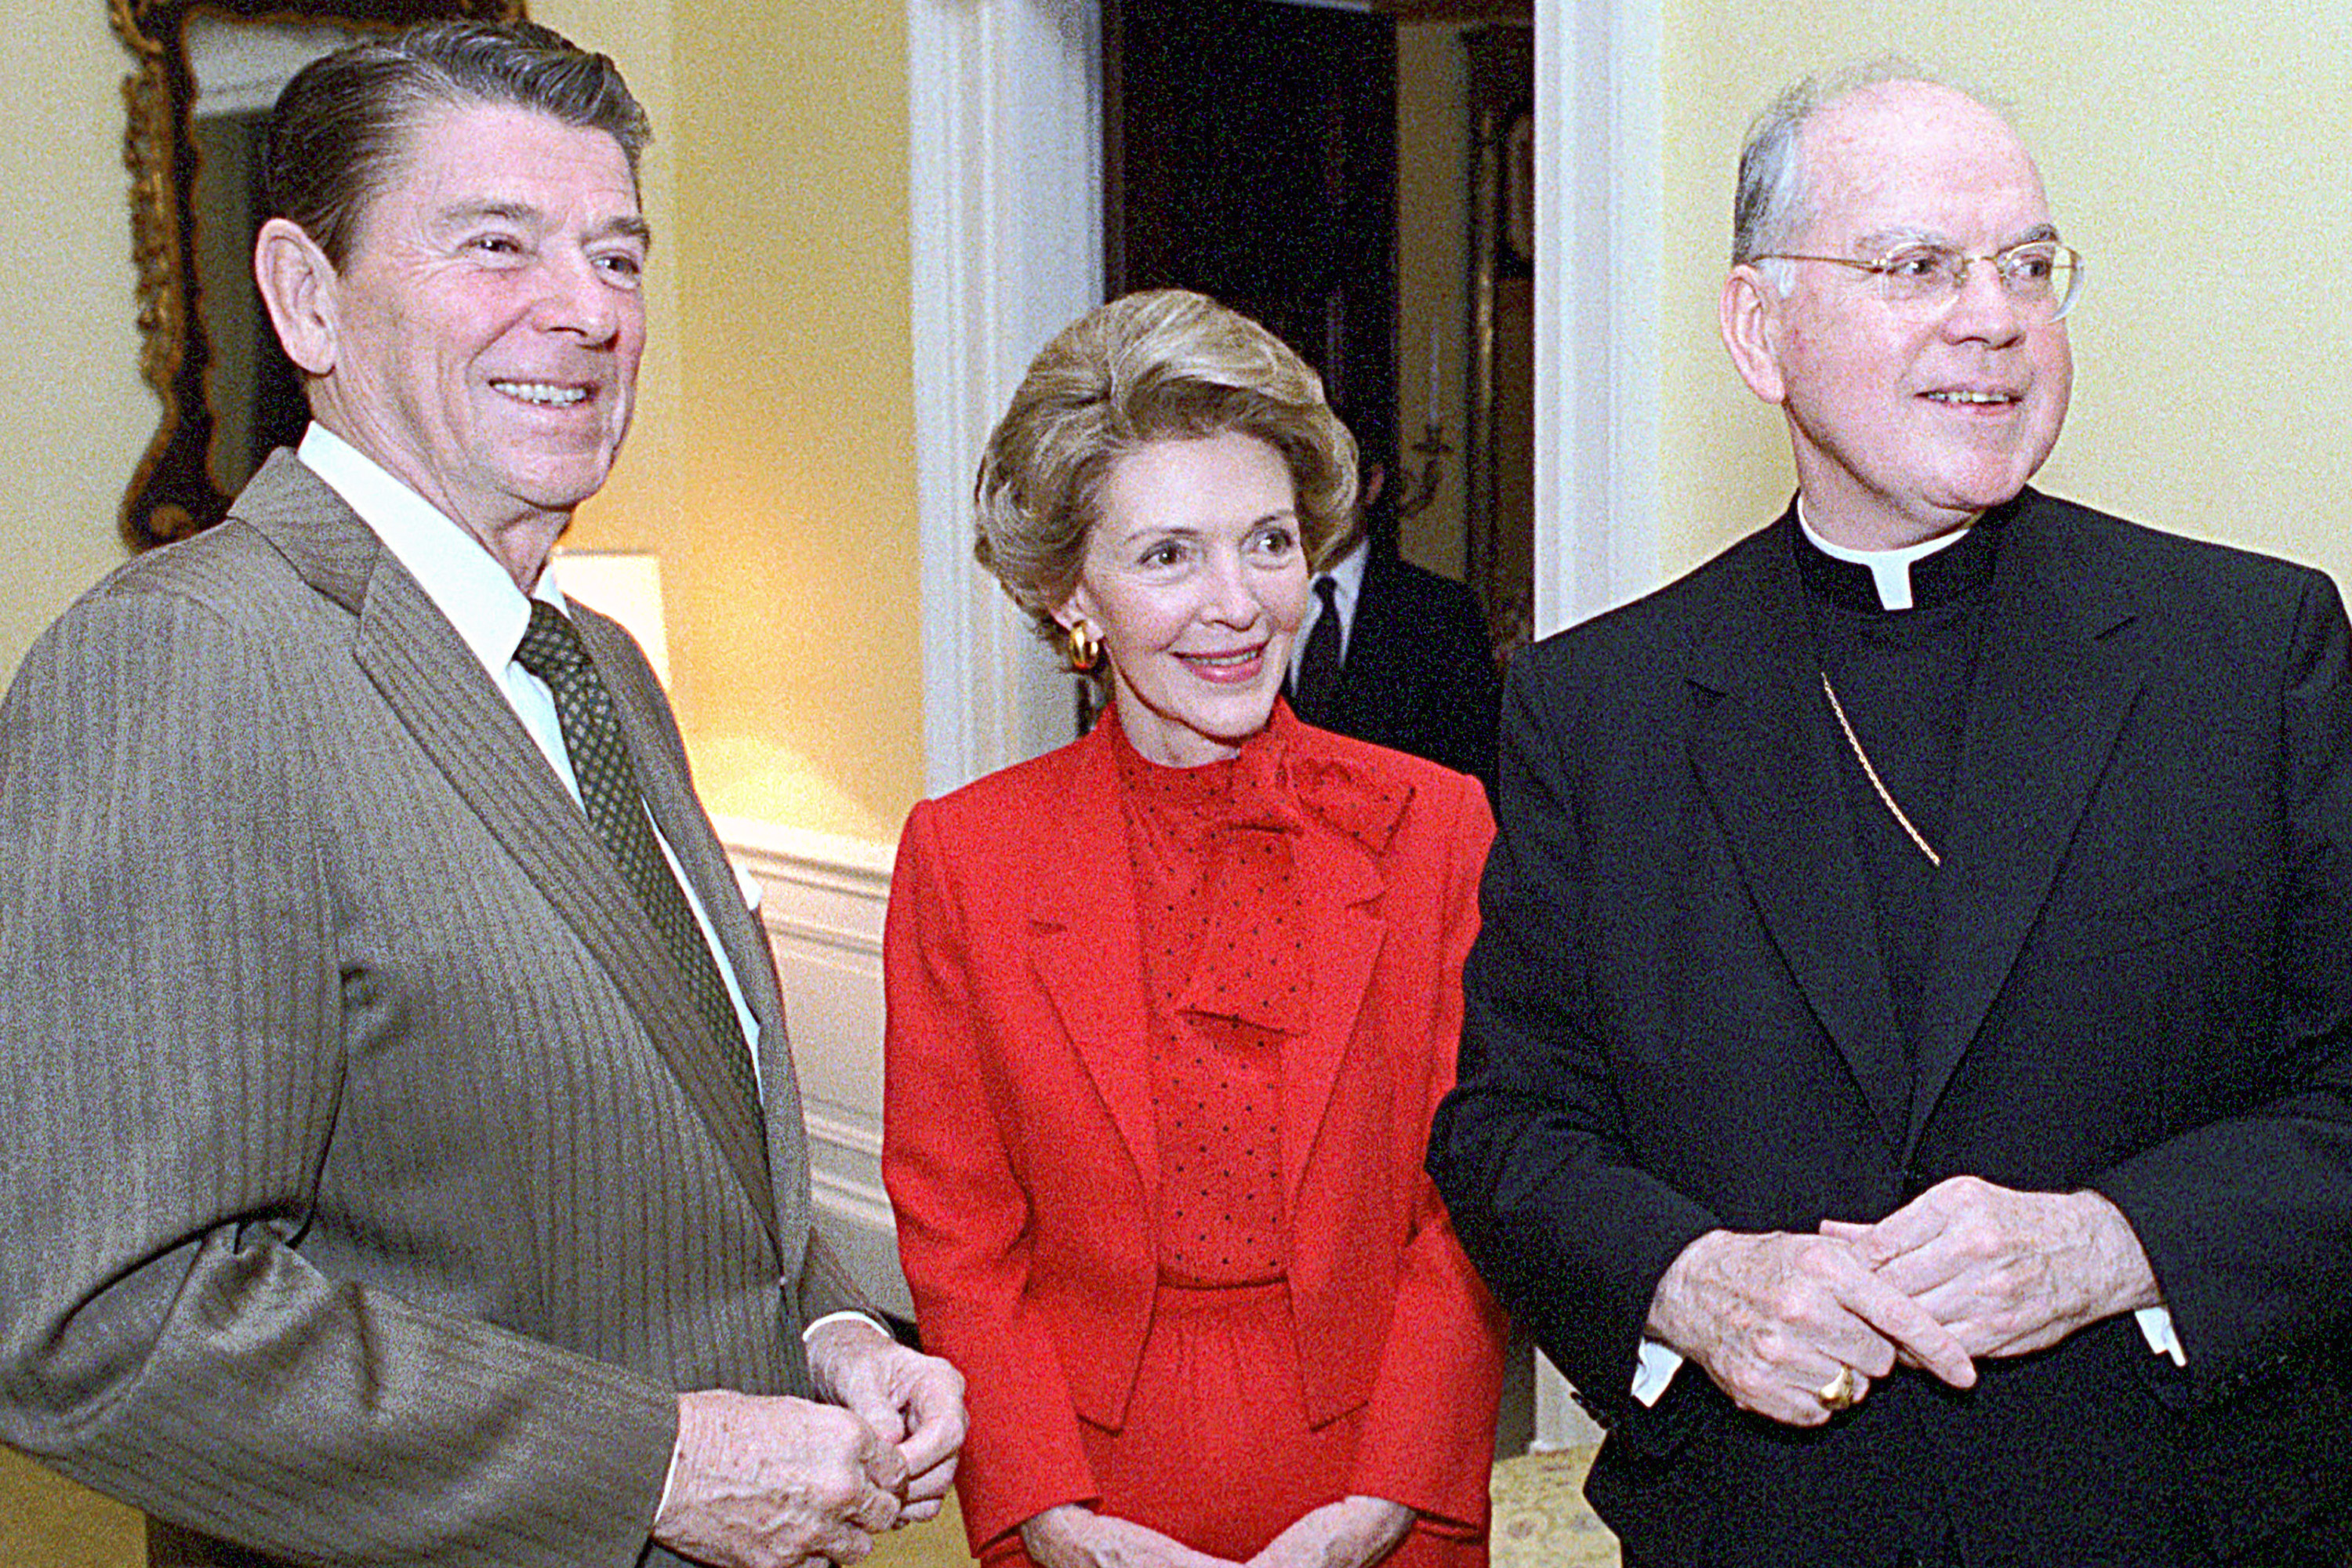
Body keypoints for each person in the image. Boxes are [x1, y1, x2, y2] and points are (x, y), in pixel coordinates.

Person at [0, 22, 962, 1568]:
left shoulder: (595, 663)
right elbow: (103, 1320)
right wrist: (654, 1464)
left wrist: (833, 1323)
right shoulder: (184, 663)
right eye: (497, 246)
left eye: (619, 258)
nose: (586, 312)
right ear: (306, 296)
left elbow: (664, 1135)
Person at [1428, 64, 2352, 1567]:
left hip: (2174, 1522)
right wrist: (1690, 1279)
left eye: (2028, 267)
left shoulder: (2250, 654)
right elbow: (1512, 1131)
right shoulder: (1600, 707)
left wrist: (2112, 1245)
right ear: (1758, 329)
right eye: (1918, 266)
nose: (1994, 317)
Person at [882, 289, 1506, 1568]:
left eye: (1270, 543)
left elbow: (1473, 1204)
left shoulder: (1440, 827)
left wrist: (1388, 1497)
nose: (1239, 605)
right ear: (1074, 596)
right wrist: (1050, 1515)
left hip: (1384, 1473)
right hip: (1086, 1483)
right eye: (1168, 555)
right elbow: (961, 1241)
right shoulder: (966, 857)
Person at [1286, 469, 1501, 795]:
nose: (1318, 505)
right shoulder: (1253, 603)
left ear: (1371, 485)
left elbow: (1474, 766)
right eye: (1305, 486)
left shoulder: (1441, 612)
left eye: (1332, 484)